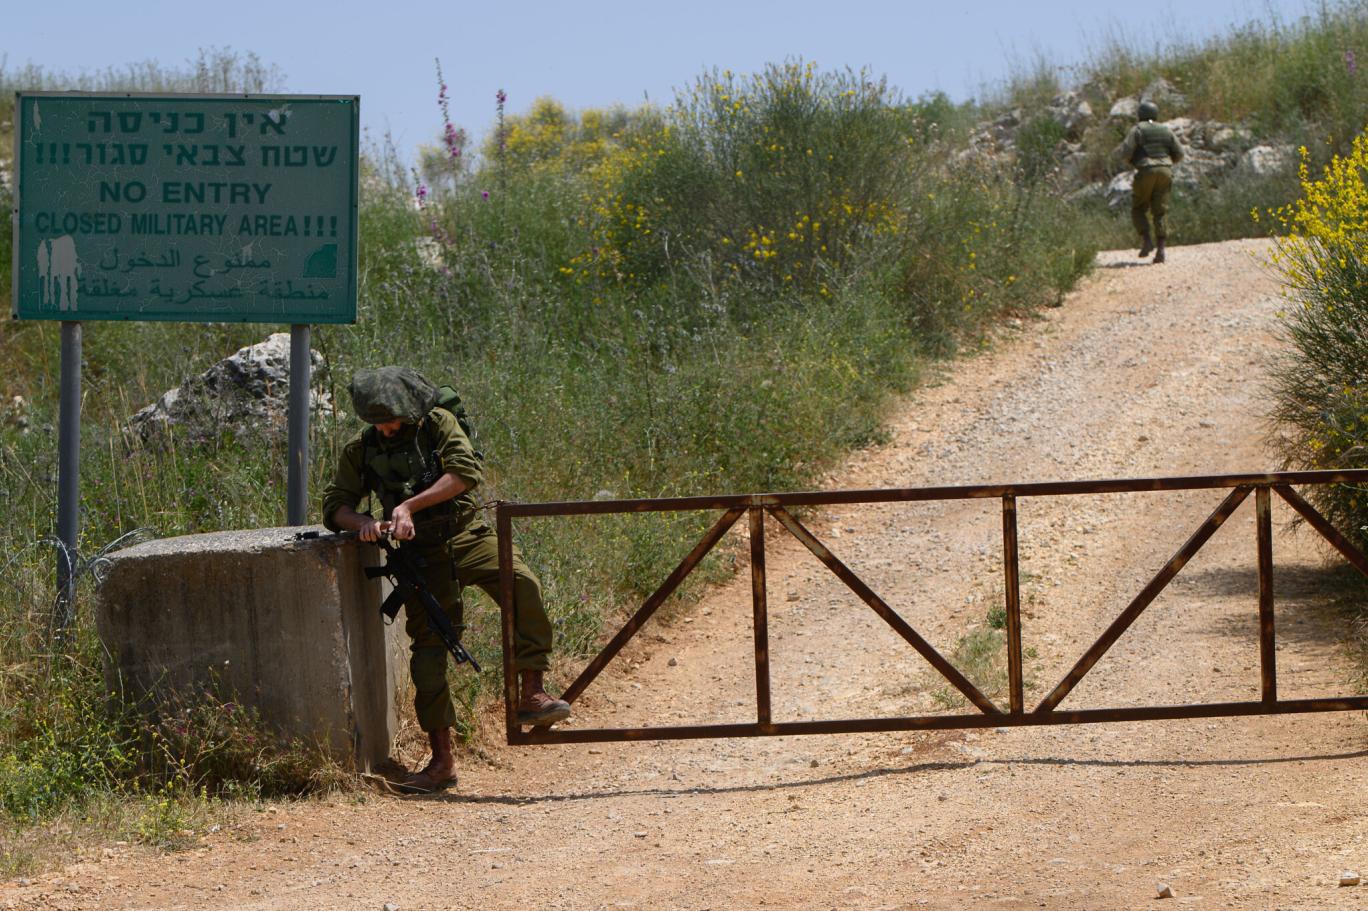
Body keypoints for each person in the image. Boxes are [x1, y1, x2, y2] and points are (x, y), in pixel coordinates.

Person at [322, 366, 569, 793]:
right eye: (378, 420)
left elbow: (465, 472)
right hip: (423, 557)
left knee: (522, 584)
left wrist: (409, 507)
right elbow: (335, 504)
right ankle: (442, 761)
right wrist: (366, 522)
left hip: (467, 534)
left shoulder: (437, 424)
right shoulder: (361, 449)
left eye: (392, 418)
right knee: (428, 653)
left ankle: (532, 691)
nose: (386, 427)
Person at [1114, 100, 1185, 264]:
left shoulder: (1137, 129)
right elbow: (1180, 153)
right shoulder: (1166, 130)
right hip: (1166, 171)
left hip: (1145, 170)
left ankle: (1146, 240)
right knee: (1160, 211)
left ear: (1140, 115)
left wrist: (1134, 163)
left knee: (1139, 208)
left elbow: (1125, 153)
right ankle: (1161, 250)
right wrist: (1166, 163)